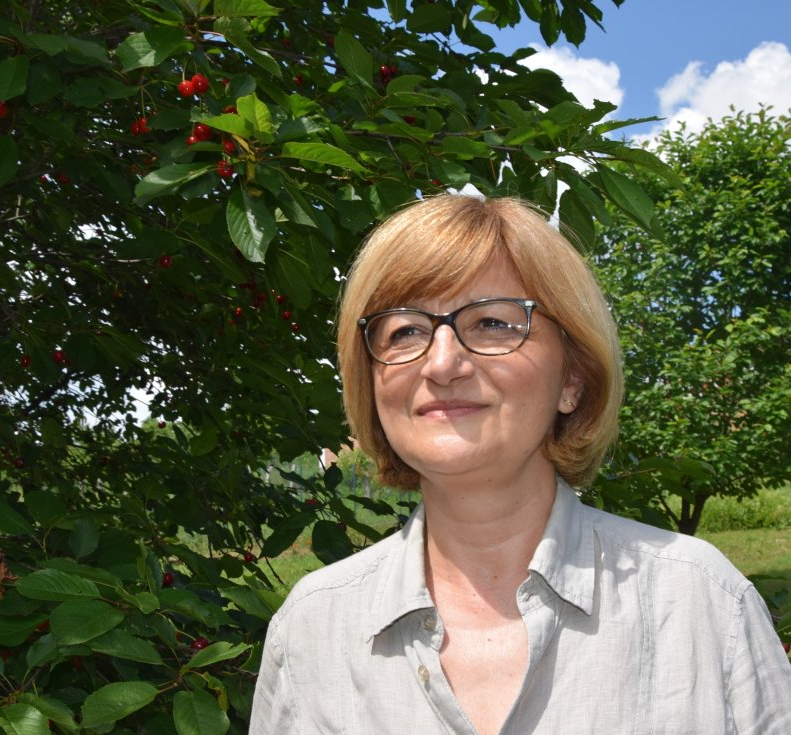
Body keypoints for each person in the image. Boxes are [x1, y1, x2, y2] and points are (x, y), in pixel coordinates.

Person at [249, 194, 791, 734]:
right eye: (405, 330)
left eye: (492, 322)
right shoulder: (311, 631)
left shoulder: (701, 606)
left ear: (572, 378)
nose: (442, 363)